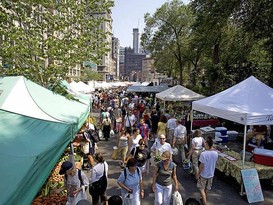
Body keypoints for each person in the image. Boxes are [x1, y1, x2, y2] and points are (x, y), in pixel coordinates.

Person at [196, 136, 218, 205]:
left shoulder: (203, 154)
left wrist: (198, 174)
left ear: (207, 144)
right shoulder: (216, 153)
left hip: (204, 174)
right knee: (207, 188)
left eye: (205, 142)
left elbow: (202, 166)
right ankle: (203, 199)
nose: (204, 143)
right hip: (211, 174)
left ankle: (204, 202)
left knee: (201, 188)